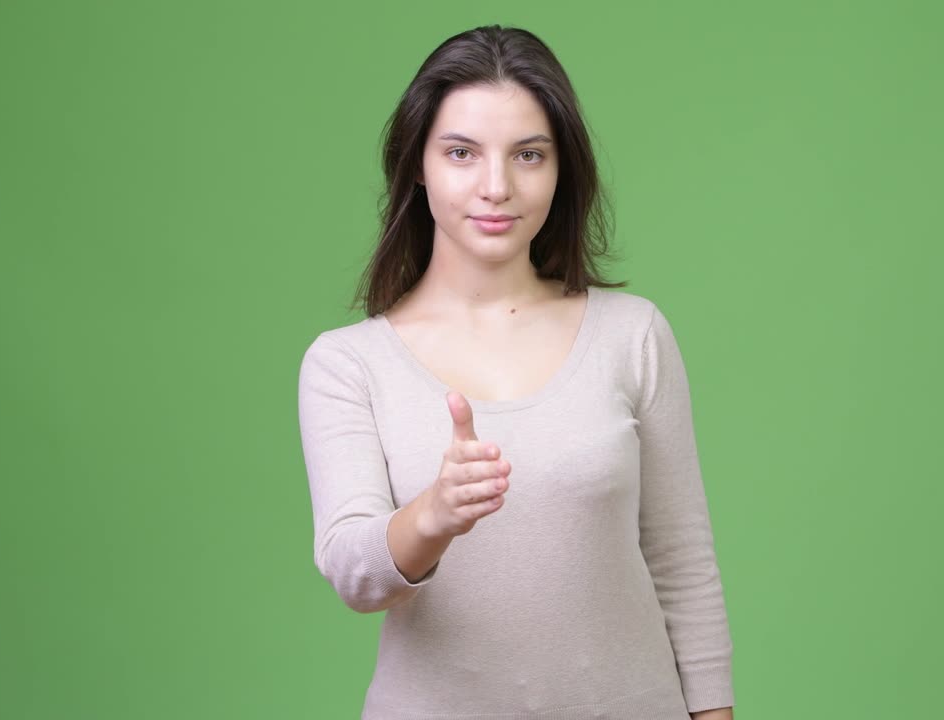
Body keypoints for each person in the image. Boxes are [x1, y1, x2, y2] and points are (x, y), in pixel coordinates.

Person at [297, 24, 734, 720]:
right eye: (462, 153)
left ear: (562, 170)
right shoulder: (348, 364)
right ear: (418, 163)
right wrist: (433, 517)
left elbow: (683, 562)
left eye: (528, 154)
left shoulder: (632, 334)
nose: (496, 186)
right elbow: (354, 573)